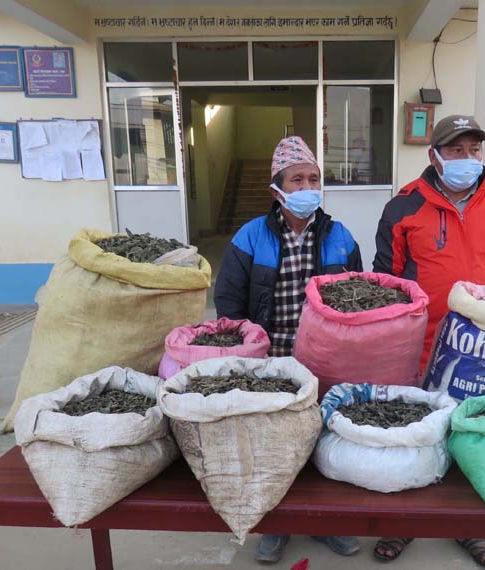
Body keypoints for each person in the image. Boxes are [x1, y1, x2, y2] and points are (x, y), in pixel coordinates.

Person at [371, 115, 485, 566]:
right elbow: (387, 283)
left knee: (476, 439)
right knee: (415, 438)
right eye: (455, 150)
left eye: (474, 150)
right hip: (420, 351)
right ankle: (406, 522)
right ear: (434, 156)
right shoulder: (403, 208)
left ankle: (471, 527)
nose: (467, 158)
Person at [214, 136, 363, 564]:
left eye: (314, 179)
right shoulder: (251, 236)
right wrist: (246, 354)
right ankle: (276, 525)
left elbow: (358, 295)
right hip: (271, 358)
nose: (308, 187)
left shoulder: (339, 236)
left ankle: (325, 522)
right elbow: (229, 301)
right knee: (273, 443)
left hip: (325, 358)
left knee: (322, 438)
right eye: (297, 179)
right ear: (277, 189)